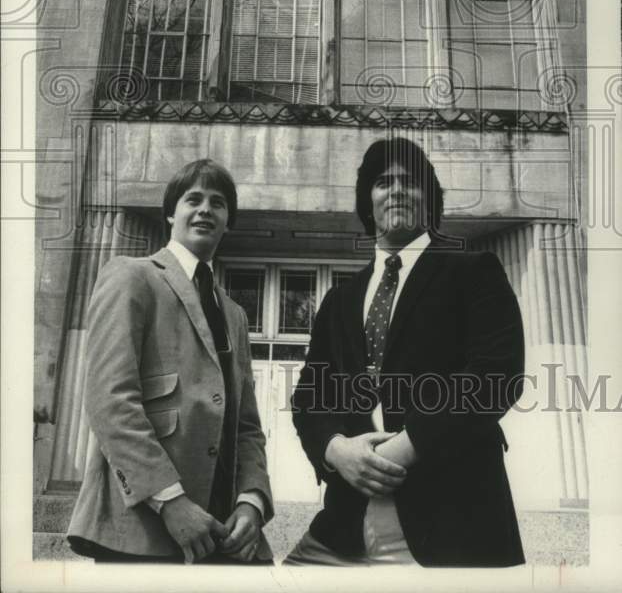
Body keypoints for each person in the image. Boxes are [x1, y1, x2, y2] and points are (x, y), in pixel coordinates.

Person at [286, 136, 525, 567]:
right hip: (343, 526)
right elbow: (309, 397)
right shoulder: (339, 300)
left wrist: (404, 447)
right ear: (368, 202)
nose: (396, 190)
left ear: (429, 202)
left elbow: (496, 376)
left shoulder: (473, 272)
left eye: (410, 182)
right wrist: (335, 449)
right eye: (382, 182)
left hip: (452, 525)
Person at [68, 158, 273, 564]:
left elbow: (247, 425)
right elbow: (110, 401)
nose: (204, 210)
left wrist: (253, 500)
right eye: (192, 199)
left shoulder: (234, 314)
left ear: (227, 220)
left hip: (225, 537)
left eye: (217, 203)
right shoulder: (132, 276)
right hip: (144, 530)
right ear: (170, 212)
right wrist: (170, 501)